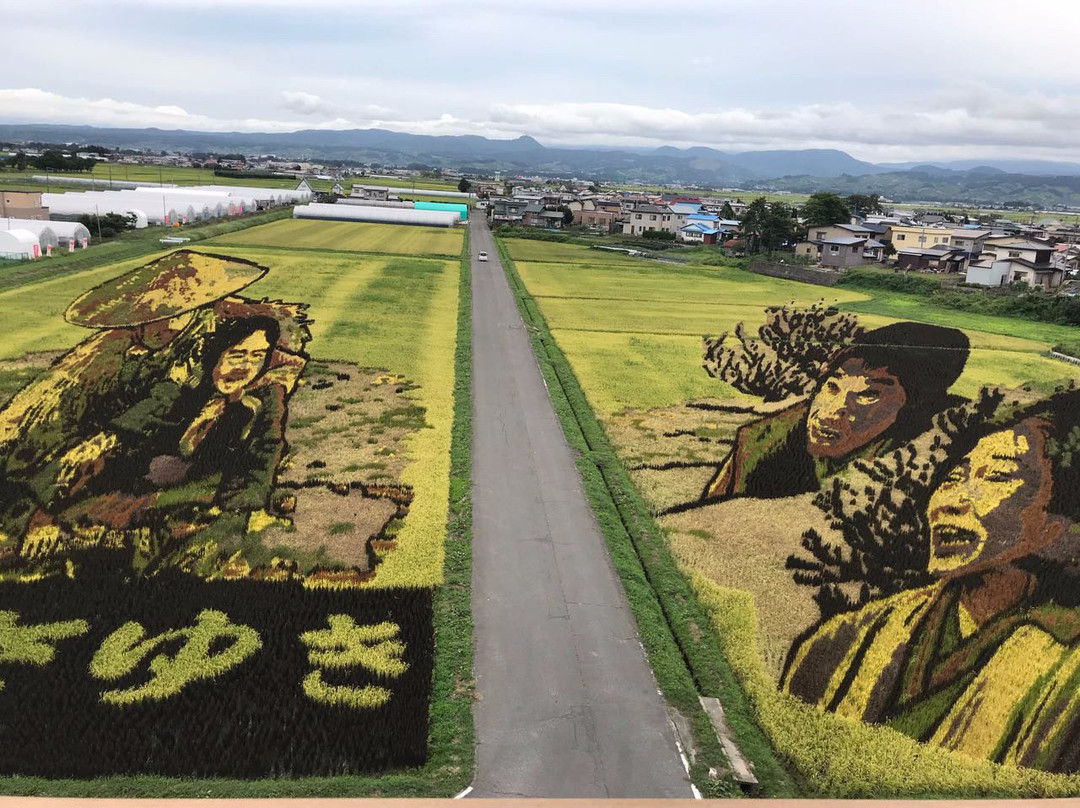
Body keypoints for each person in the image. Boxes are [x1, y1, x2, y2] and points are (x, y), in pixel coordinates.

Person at [781, 389, 1080, 772]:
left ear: (1057, 525)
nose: (952, 499)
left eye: (998, 477)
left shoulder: (1064, 666)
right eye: (956, 475)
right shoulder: (850, 636)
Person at [698, 322, 970, 501]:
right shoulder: (761, 439)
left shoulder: (932, 448)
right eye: (832, 387)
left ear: (910, 405)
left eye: (868, 395)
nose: (836, 410)